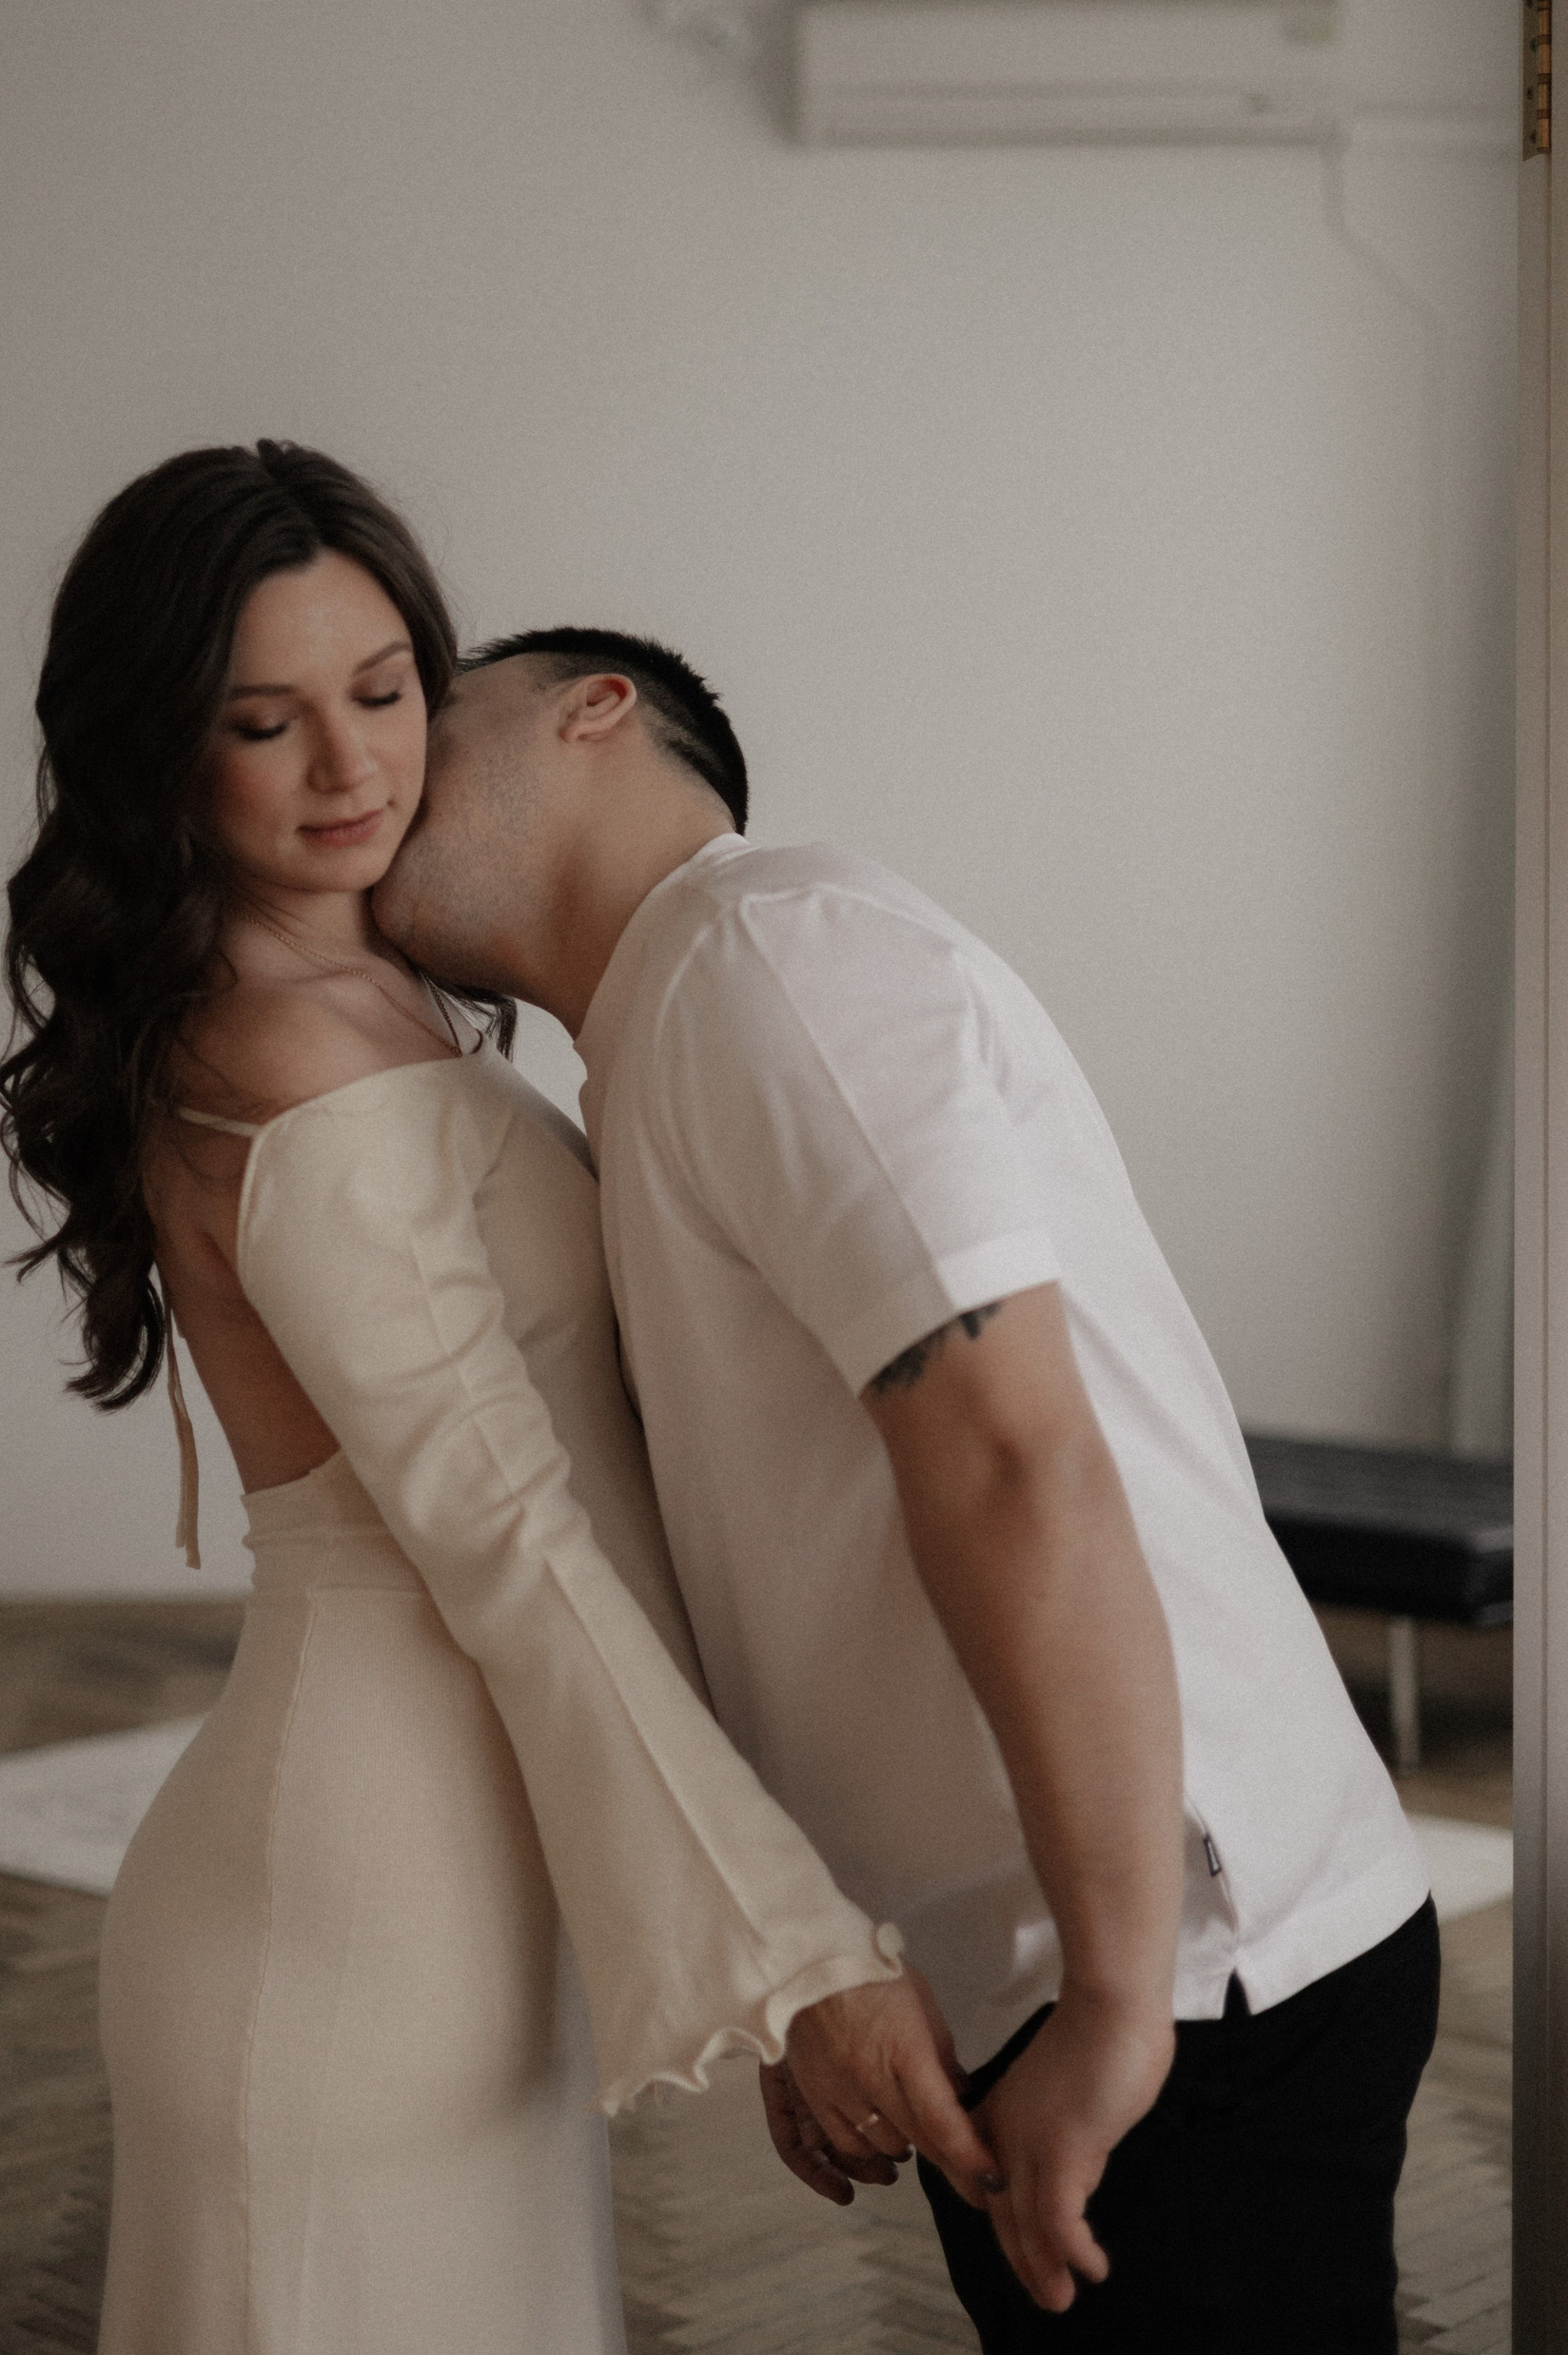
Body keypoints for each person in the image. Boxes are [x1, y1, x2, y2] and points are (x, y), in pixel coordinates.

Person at [0, 445, 990, 2355]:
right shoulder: (285, 1057)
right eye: (263, 724)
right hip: (359, 1911)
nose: (349, 766)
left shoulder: (376, 995)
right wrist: (798, 1959)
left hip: (460, 1883)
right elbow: (514, 1540)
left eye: (383, 693)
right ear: (157, 754)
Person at [371, 625, 1442, 2355]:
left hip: (1187, 1976)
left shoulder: (765, 954)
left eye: (421, 705)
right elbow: (793, 1570)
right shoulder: (663, 1031)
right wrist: (822, 1959)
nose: (372, 760)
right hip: (1052, 1971)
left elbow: (1014, 1459)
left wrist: (1117, 1998)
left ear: (596, 709)